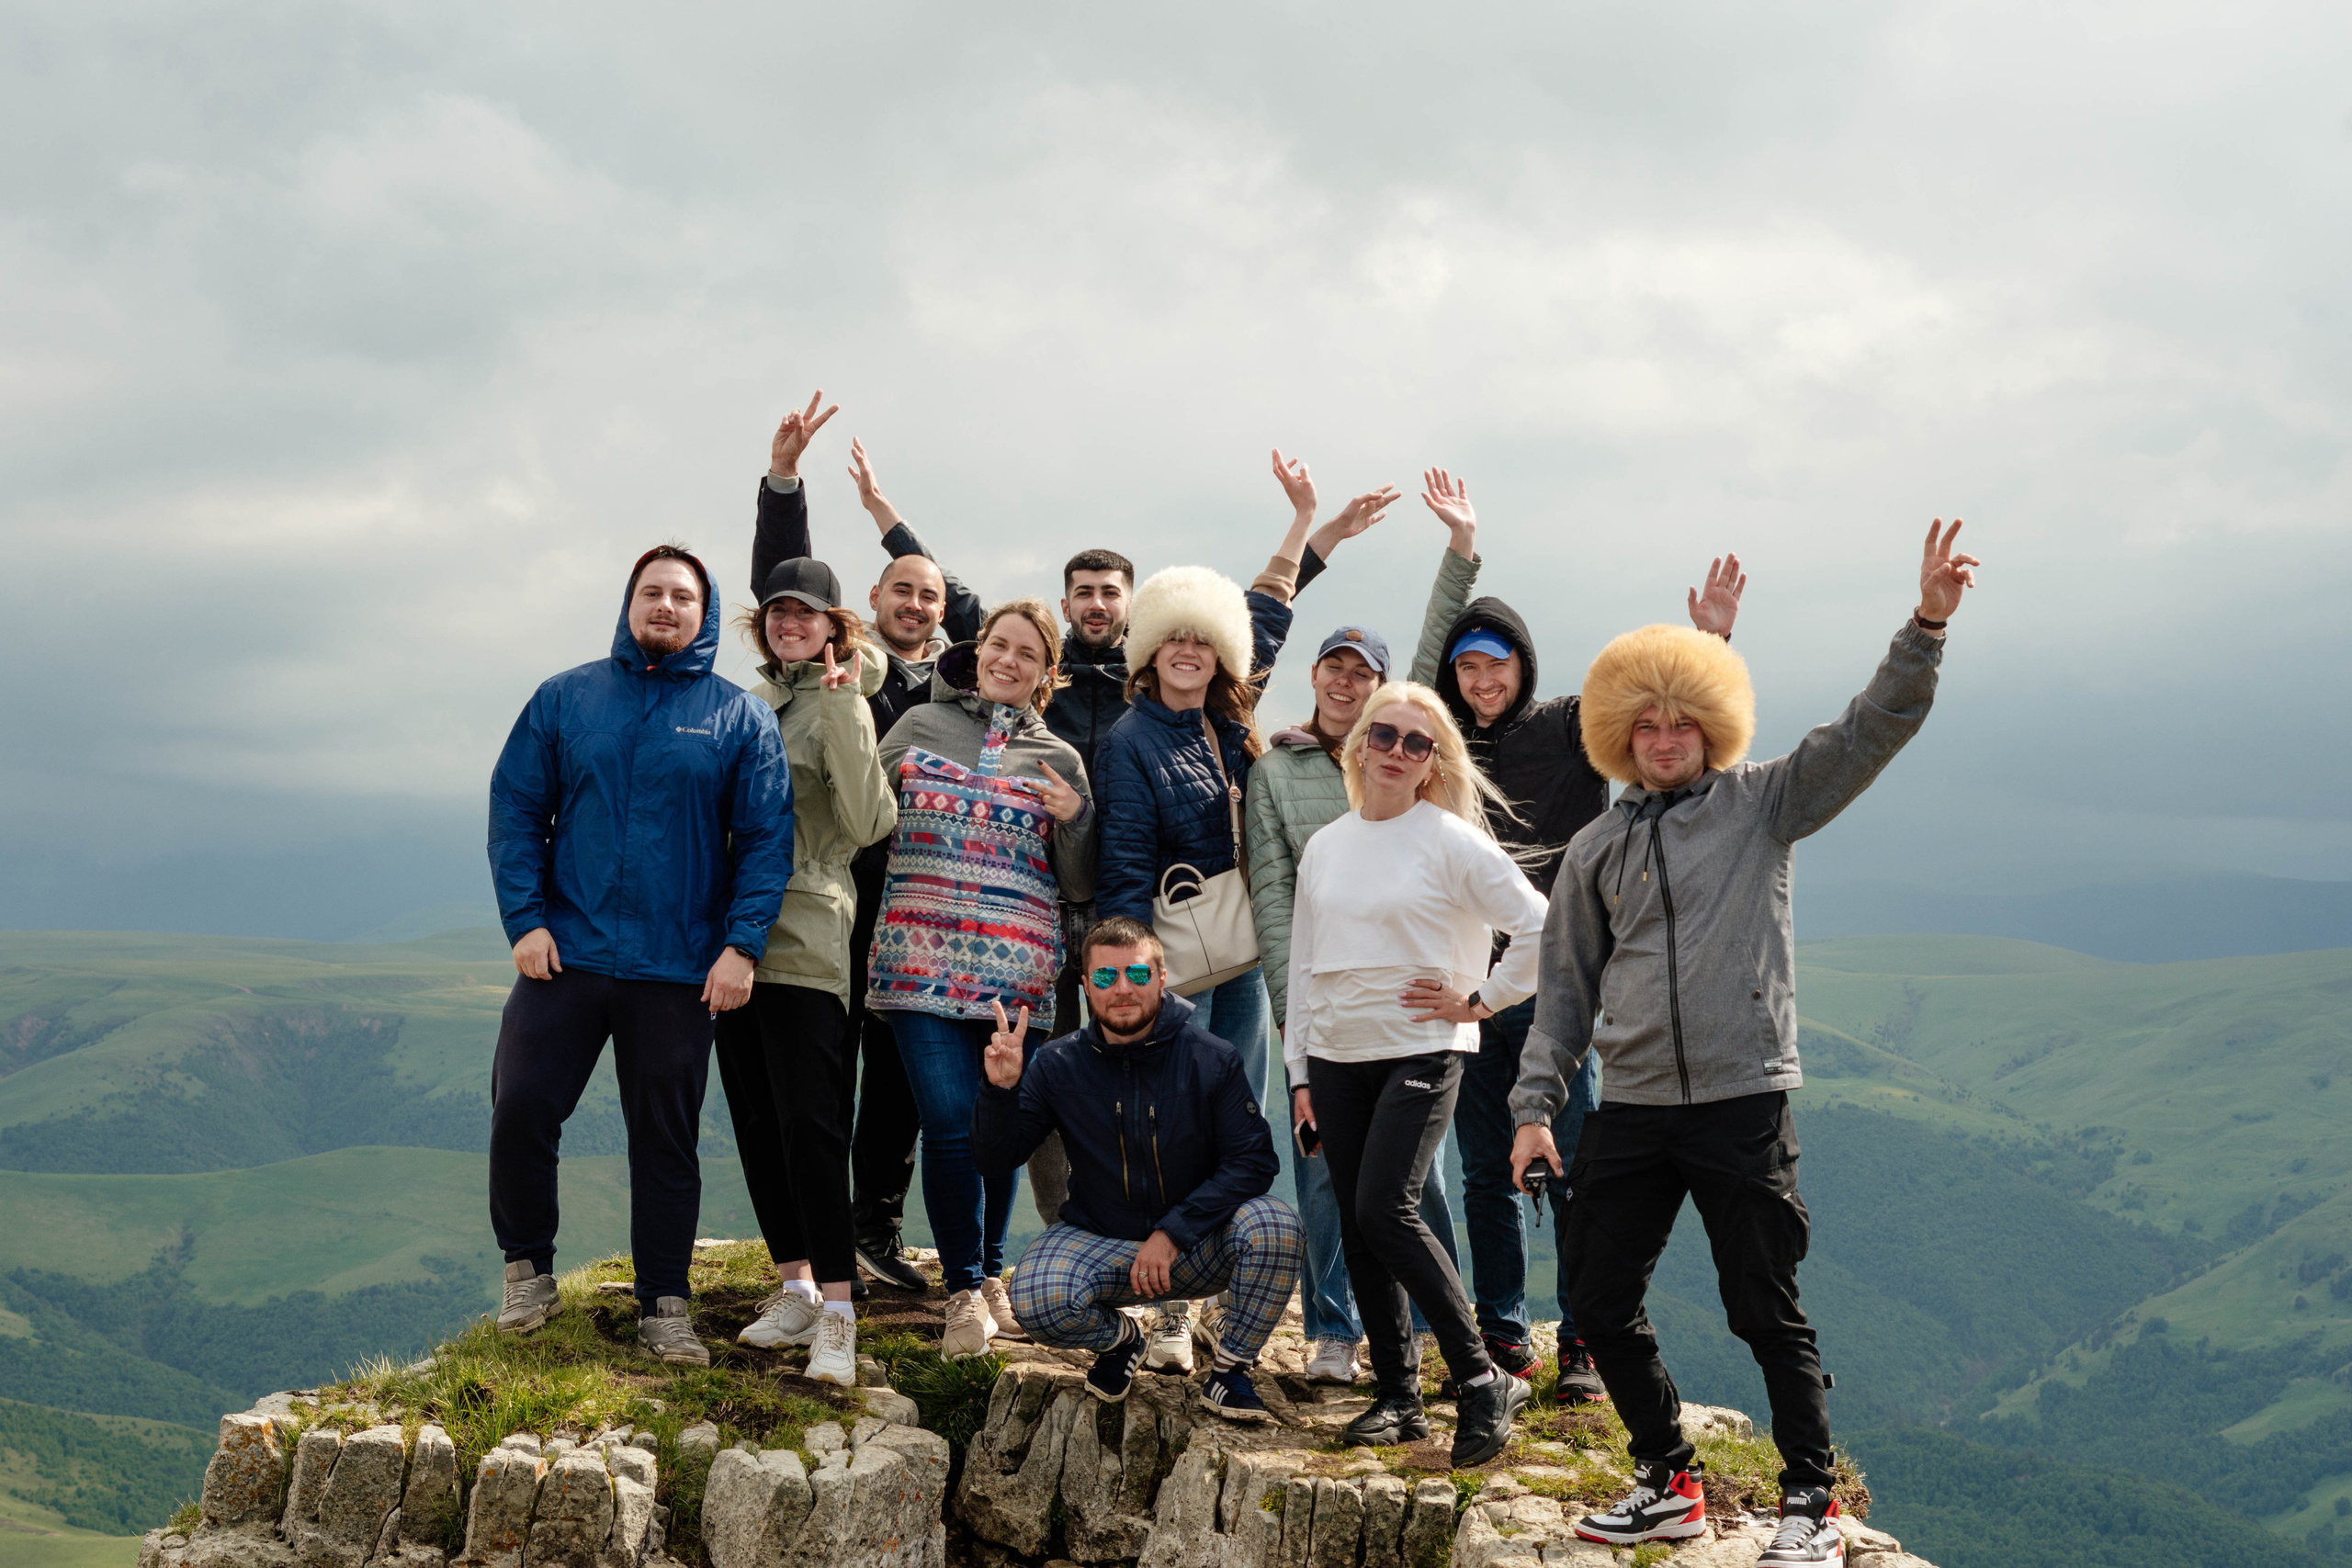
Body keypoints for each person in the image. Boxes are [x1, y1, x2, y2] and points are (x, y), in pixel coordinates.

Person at [1509, 523, 1979, 1563]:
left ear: (1710, 728)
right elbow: (1563, 993)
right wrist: (1533, 1110)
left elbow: (1870, 730)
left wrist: (1926, 627)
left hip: (1741, 1100)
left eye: (1684, 720)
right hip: (1633, 1106)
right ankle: (1666, 1478)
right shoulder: (1595, 849)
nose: (1664, 738)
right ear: (1618, 735)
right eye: (1645, 725)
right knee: (1595, 1300)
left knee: (1764, 1307)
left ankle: (1810, 1502)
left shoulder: (1763, 804)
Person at [1413, 468, 1745, 1395]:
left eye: (1496, 665)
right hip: (1467, 994)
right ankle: (1503, 1333)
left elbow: (1650, 716)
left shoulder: (1567, 730)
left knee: (1572, 1170)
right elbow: (1400, 692)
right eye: (1467, 668)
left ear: (1522, 664)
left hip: (1560, 988)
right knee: (1486, 1171)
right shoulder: (1441, 748)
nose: (1482, 681)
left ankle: (1587, 1338)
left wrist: (1710, 641)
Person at [1026, 462, 1396, 1240]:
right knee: (1179, 1113)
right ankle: (1176, 1268)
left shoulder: (1229, 718)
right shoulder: (1130, 741)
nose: (1188, 650)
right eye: (1174, 638)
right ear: (1148, 650)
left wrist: (1311, 528)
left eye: (1202, 638)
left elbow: (1266, 613)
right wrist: (1129, 973)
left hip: (1244, 948)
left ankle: (1226, 1260)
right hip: (1176, 957)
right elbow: (1125, 862)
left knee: (1241, 1108)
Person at [486, 544, 793, 1368]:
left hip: (679, 967)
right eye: (651, 591)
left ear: (705, 613)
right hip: (567, 953)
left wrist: (742, 946)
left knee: (665, 1141)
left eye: (682, 596)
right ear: (629, 605)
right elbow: (516, 809)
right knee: (521, 1107)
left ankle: (664, 1304)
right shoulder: (565, 697)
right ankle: (527, 1274)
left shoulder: (740, 718)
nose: (665, 605)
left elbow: (767, 840)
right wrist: (525, 921)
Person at [1285, 682, 1550, 1466]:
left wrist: (1481, 1000)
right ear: (1358, 745)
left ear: (1434, 762)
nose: (1397, 751)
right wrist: (1299, 1072)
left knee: (1385, 1207)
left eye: (1416, 742)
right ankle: (1399, 1396)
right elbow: (1304, 965)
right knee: (1362, 1221)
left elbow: (1540, 924)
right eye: (1385, 735)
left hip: (1422, 1046)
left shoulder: (1450, 840)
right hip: (1335, 1052)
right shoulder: (1325, 845)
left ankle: (1481, 1378)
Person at [752, 395, 982, 1295]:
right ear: (872, 604)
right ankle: (816, 1241)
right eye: (901, 590)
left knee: (896, 1073)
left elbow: (976, 609)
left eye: (929, 595)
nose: (917, 604)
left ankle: (873, 1226)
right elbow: (787, 587)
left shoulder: (962, 687)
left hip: (921, 902)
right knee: (824, 1067)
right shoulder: (848, 670)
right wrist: (785, 483)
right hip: (835, 893)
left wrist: (889, 516)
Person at [867, 597, 1096, 1357]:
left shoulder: (1061, 759)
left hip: (1016, 973)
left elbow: (1079, 882)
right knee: (948, 1120)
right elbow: (863, 811)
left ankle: (994, 1274)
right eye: (1000, 644)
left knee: (1001, 1127)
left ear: (1047, 673)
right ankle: (964, 1290)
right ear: (978, 649)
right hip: (917, 961)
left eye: (1027, 653)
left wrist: (1076, 817)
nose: (1008, 660)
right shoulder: (919, 725)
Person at [1244, 607, 1463, 1385]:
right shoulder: (1275, 772)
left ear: (1382, 689)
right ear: (1313, 674)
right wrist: (1290, 1017)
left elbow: (1435, 653)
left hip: (1409, 1016)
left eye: (1362, 672)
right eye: (1334, 666)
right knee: (1322, 1176)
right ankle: (1334, 1330)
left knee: (1418, 1182)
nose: (1345, 681)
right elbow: (1275, 900)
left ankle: (1436, 1331)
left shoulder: (1400, 762)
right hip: (1326, 1017)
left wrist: (1461, 559)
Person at [975, 918, 1304, 1423]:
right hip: (1102, 1241)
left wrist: (1172, 1233)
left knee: (1277, 1226)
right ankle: (1122, 1341)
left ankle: (1230, 1372)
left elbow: (1254, 1162)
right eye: (1106, 977)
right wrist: (1001, 1091)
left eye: (1138, 974)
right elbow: (995, 1160)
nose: (1123, 989)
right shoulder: (1058, 1063)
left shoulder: (1211, 1058)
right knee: (1035, 1295)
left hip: (1197, 1246)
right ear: (1086, 986)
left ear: (1162, 978)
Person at [716, 539, 899, 1383]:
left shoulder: (839, 701)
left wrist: (848, 708)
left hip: (809, 935)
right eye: (778, 611)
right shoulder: (755, 702)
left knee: (812, 1126)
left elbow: (868, 823)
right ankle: (793, 1285)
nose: (790, 622)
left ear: (835, 626)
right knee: (757, 1120)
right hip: (731, 942)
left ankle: (839, 1311)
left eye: (806, 612)